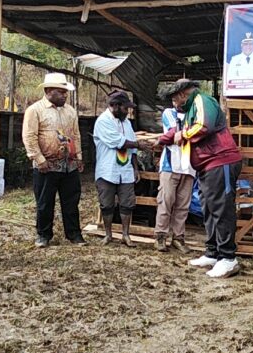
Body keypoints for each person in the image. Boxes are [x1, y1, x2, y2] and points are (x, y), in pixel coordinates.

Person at [164, 78, 243, 278]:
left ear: (183, 94)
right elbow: (180, 131)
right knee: (209, 208)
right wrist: (163, 138)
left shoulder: (201, 100)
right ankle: (213, 252)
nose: (174, 103)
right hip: (206, 165)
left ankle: (228, 258)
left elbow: (203, 126)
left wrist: (182, 135)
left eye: (174, 99)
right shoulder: (190, 110)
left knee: (221, 208)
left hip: (220, 160)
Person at [22, 73, 86, 248]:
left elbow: (76, 135)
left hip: (68, 164)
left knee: (71, 201)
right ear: (48, 91)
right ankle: (43, 234)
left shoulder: (70, 111)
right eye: (61, 92)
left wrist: (78, 156)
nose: (65, 95)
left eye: (65, 92)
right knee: (44, 202)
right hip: (46, 165)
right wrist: (39, 159)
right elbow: (29, 137)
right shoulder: (35, 110)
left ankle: (74, 234)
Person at [94, 91, 150, 247]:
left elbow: (131, 148)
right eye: (126, 108)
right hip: (107, 170)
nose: (128, 111)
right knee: (107, 204)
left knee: (127, 203)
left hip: (125, 170)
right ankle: (108, 234)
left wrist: (136, 168)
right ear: (115, 106)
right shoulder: (103, 121)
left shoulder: (126, 123)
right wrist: (139, 144)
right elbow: (118, 142)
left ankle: (126, 235)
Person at [154, 93, 197, 253]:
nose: (179, 101)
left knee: (183, 204)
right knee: (166, 201)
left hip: (189, 165)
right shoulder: (169, 113)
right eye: (177, 98)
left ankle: (178, 238)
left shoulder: (195, 114)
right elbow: (177, 133)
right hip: (170, 164)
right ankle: (160, 236)